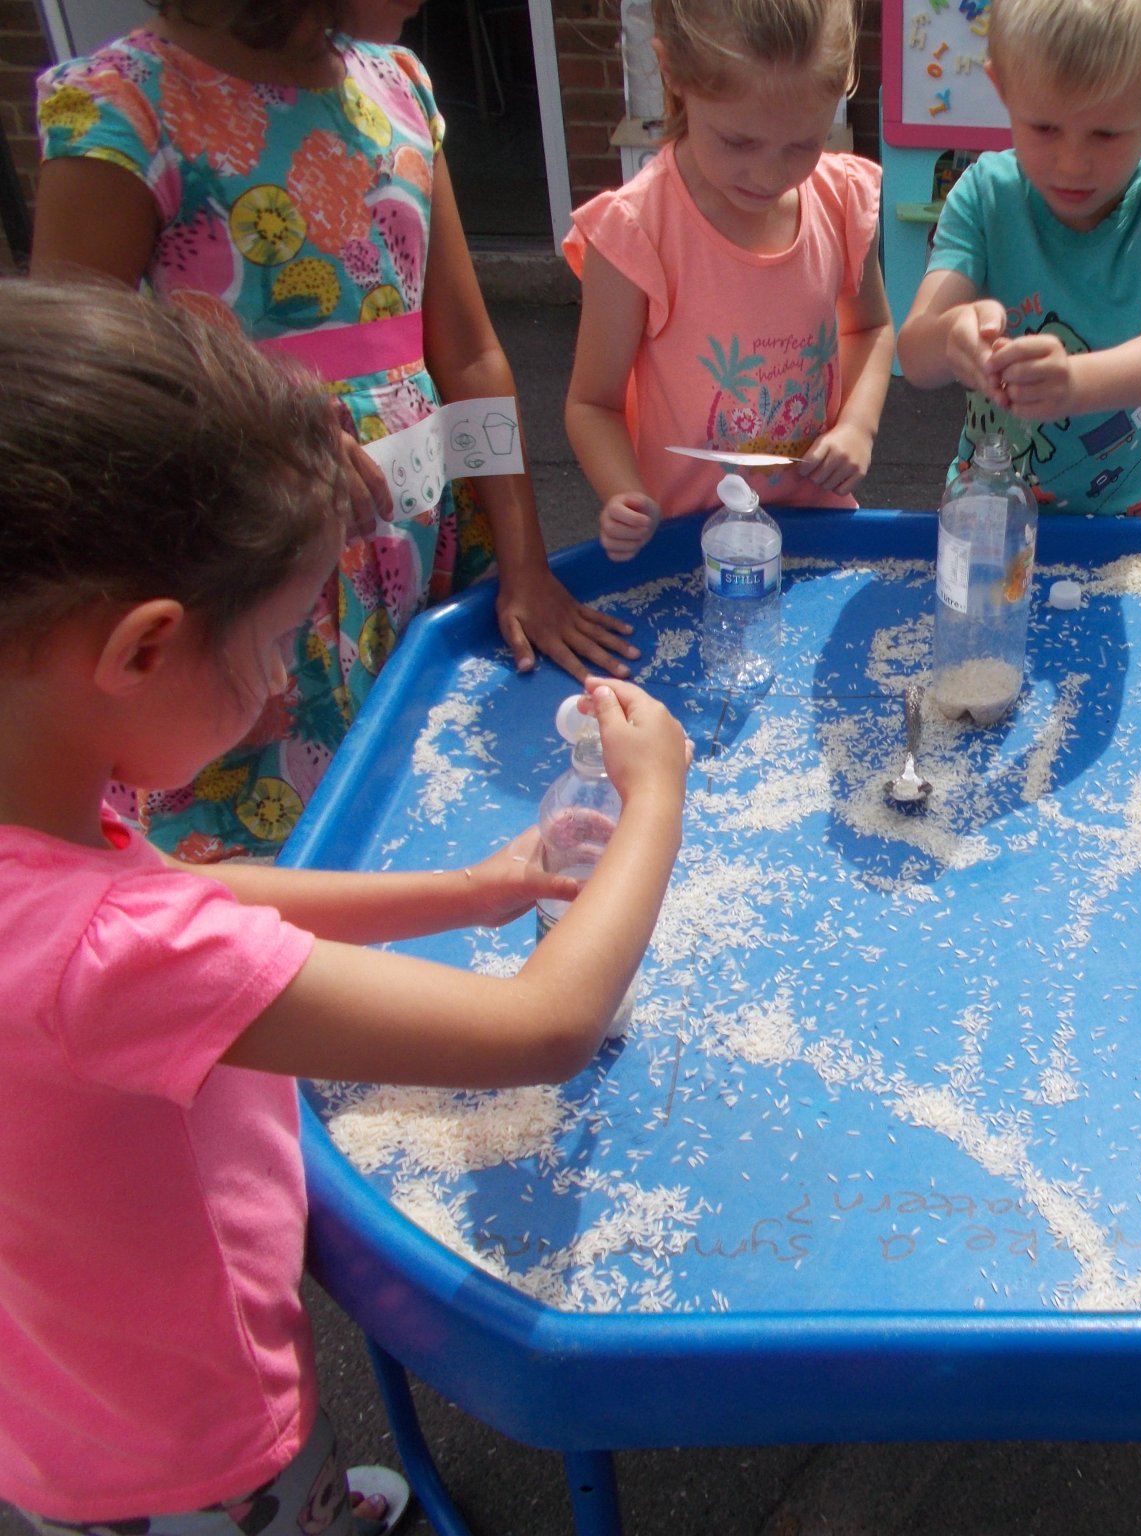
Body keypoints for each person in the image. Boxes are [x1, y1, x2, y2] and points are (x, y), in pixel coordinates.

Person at [0, 281, 691, 1536]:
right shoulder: (108, 954)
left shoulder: (36, 818)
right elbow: (541, 1029)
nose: (281, 691)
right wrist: (657, 801)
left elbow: (185, 888)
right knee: (279, 1504)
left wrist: (467, 892)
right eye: (272, 645)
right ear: (143, 648)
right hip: (191, 1446)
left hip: (59, 1389)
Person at [32, 0, 639, 861]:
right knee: (293, 847)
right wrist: (253, 427)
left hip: (422, 546)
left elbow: (468, 355)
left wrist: (525, 566)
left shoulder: (400, 88)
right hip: (259, 579)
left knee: (416, 806)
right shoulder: (125, 108)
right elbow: (69, 402)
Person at [562, 0, 894, 562]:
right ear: (671, 70)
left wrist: (857, 427)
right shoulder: (636, 232)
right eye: (738, 142)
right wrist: (623, 493)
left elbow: (870, 328)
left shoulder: (839, 199)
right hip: (690, 546)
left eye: (803, 144)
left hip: (816, 533)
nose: (769, 174)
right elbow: (594, 403)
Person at [894, 0, 1141, 518]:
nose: (1072, 164)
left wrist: (1076, 384)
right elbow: (915, 355)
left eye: (1106, 133)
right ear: (1002, 88)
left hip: (1121, 521)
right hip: (988, 508)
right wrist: (952, 333)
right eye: (1045, 128)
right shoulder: (984, 195)